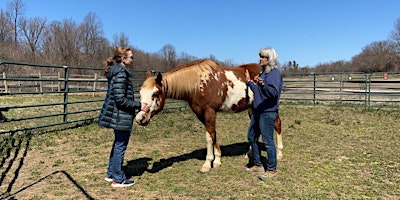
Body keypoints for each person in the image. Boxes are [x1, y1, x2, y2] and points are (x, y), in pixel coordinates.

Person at [98, 47, 149, 187]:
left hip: (119, 115)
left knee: (117, 144)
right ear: (123, 59)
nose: (133, 59)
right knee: (120, 145)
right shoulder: (121, 73)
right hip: (121, 115)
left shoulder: (118, 71)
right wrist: (139, 105)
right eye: (131, 57)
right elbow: (120, 99)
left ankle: (110, 173)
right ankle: (118, 179)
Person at [245, 47, 283, 180]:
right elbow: (259, 92)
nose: (260, 59)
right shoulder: (263, 74)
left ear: (270, 59)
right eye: (260, 56)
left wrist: (263, 85)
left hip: (268, 112)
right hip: (258, 111)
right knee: (251, 136)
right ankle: (258, 164)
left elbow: (273, 94)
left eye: (263, 57)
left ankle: (272, 171)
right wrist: (250, 83)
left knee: (268, 141)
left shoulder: (274, 74)